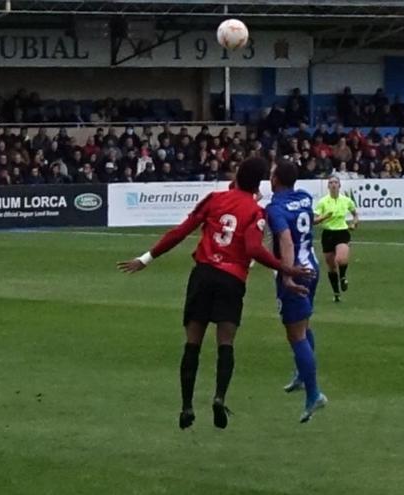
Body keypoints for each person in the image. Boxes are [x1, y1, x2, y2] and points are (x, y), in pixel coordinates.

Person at [117, 157, 310, 430]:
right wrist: (285, 268)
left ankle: (186, 406)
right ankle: (219, 397)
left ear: (238, 174)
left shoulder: (214, 199)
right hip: (231, 281)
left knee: (192, 343)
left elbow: (181, 232)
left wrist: (146, 258)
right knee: (225, 343)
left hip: (203, 276)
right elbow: (254, 250)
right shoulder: (255, 212)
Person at [266, 161, 327, 422]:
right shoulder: (303, 198)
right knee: (304, 324)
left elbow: (286, 240)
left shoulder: (275, 208)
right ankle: (303, 375)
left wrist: (288, 274)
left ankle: (314, 395)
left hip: (296, 271)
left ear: (276, 179)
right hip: (312, 266)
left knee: (296, 334)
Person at [314, 176, 359, 303]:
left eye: (335, 182)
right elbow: (314, 220)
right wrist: (324, 217)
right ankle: (336, 293)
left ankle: (343, 276)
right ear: (328, 186)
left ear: (339, 186)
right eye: (331, 183)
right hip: (328, 234)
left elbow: (355, 214)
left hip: (342, 232)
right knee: (331, 266)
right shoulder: (323, 202)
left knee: (341, 259)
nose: (333, 185)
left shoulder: (346, 200)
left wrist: (354, 223)